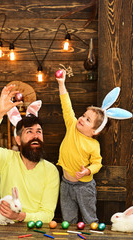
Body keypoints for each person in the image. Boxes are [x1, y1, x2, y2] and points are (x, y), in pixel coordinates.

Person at [0, 84, 60, 223]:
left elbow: (47, 215)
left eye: (39, 132)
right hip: (7, 228)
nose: (35, 136)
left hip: (36, 231)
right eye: (29, 132)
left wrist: (20, 216)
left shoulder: (51, 171)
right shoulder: (7, 160)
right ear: (18, 140)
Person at [56, 71, 109, 224]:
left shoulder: (93, 145)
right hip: (66, 183)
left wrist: (87, 170)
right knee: (68, 219)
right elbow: (66, 106)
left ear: (95, 131)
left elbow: (97, 163)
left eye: (88, 119)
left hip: (84, 186)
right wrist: (61, 84)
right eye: (84, 115)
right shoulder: (72, 125)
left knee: (89, 218)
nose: (82, 119)